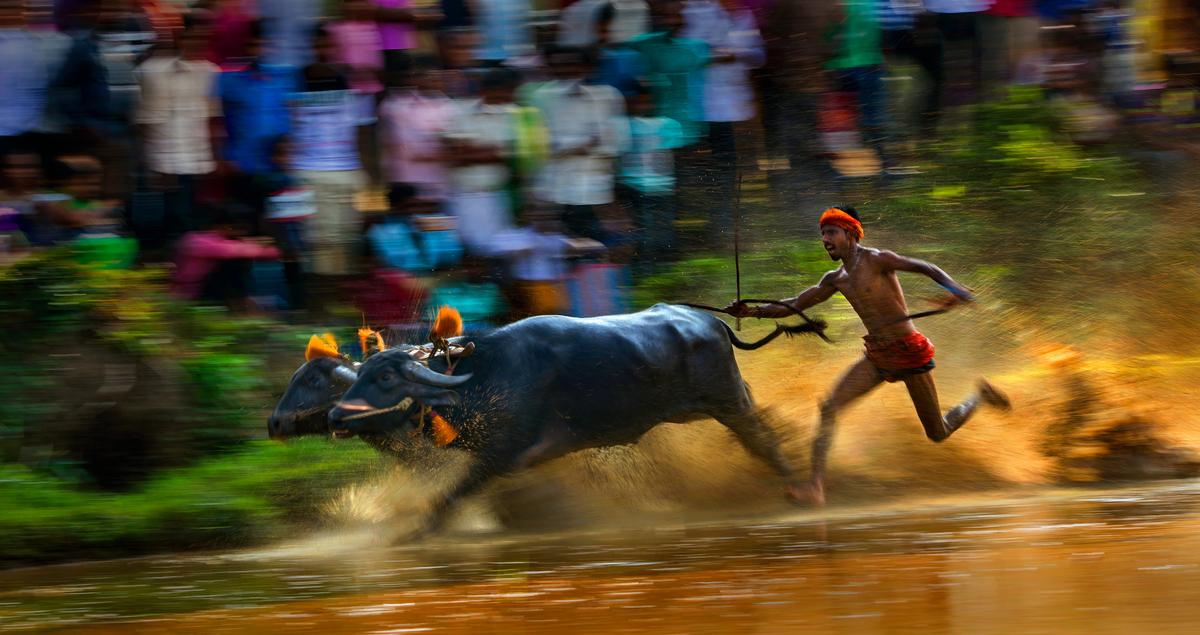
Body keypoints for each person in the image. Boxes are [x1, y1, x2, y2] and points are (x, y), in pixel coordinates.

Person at [724, 205, 1011, 505]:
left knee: (937, 432)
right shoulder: (835, 279)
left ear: (850, 234)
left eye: (831, 232)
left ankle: (979, 396)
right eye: (823, 234)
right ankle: (815, 487)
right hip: (878, 355)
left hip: (909, 353)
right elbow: (794, 305)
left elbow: (925, 267)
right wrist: (751, 310)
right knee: (829, 409)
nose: (825, 239)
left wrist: (955, 289)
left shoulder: (877, 259)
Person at [289, 23, 373, 277]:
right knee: (318, 238)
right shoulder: (294, 82)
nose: (322, 50)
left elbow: (364, 139)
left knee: (343, 237)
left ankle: (335, 294)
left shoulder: (355, 86)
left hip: (345, 173)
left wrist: (367, 180)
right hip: (308, 173)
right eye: (318, 44)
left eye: (327, 44)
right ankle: (321, 296)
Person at [134, 12, 221, 240]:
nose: (199, 44)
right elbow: (143, 121)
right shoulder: (151, 71)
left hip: (197, 161)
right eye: (193, 37)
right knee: (165, 220)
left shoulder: (212, 73)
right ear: (180, 38)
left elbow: (212, 119)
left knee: (190, 220)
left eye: (204, 38)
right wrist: (151, 163)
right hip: (161, 161)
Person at [531, 45, 629, 244]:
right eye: (560, 65)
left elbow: (618, 142)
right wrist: (582, 143)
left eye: (573, 64)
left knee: (596, 248)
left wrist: (573, 145)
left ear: (587, 67)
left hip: (596, 190)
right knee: (565, 247)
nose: (567, 70)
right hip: (556, 190)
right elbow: (541, 145)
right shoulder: (542, 97)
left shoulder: (608, 96)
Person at [173, 202, 281, 311]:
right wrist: (258, 245)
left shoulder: (219, 241)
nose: (242, 233)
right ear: (224, 225)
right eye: (239, 228)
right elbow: (233, 250)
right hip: (190, 297)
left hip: (208, 294)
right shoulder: (197, 241)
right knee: (234, 264)